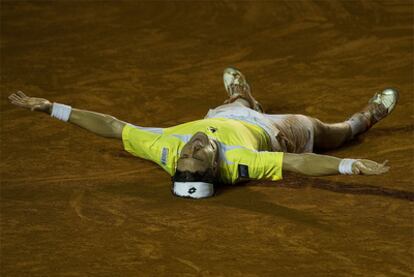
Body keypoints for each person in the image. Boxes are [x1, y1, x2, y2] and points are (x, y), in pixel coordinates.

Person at [8, 68, 397, 199]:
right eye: (200, 154)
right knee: (329, 132)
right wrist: (347, 166)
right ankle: (365, 118)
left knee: (230, 108)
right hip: (279, 132)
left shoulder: (163, 149)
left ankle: (241, 95)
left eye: (187, 154)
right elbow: (298, 161)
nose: (192, 146)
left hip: (226, 116)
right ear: (214, 167)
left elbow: (111, 126)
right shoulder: (242, 162)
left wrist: (50, 108)